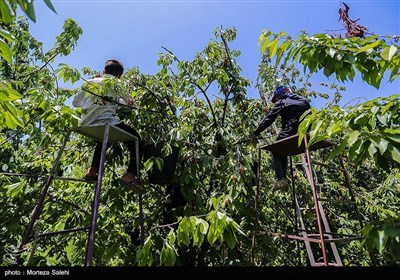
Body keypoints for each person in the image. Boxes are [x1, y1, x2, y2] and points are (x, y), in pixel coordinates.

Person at [72, 59, 143, 194]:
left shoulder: (90, 82)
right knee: (137, 139)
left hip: (87, 124)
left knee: (102, 140)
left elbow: (76, 103)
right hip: (107, 123)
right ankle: (130, 175)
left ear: (104, 72)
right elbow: (129, 104)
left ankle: (92, 170)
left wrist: (92, 101)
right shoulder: (117, 84)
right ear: (119, 76)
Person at [251, 85, 311, 192]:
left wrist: (256, 133)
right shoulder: (303, 100)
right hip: (306, 132)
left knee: (275, 149)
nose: (276, 101)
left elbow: (269, 119)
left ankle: (279, 179)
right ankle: (282, 179)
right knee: (282, 150)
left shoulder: (282, 102)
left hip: (293, 131)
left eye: (277, 99)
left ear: (280, 95)